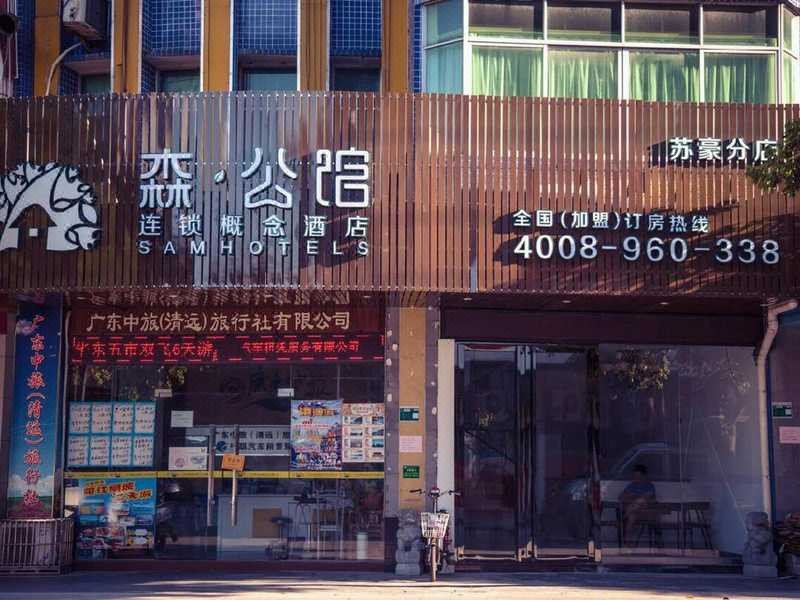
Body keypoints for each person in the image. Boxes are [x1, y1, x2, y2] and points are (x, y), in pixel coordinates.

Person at [618, 464, 657, 545]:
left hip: (645, 513)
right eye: (635, 476)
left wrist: (634, 496)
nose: (637, 478)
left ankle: (624, 517)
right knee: (631, 517)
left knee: (641, 501)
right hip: (635, 513)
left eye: (639, 476)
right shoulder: (632, 485)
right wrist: (631, 496)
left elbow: (649, 497)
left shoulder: (649, 485)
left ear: (644, 476)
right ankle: (628, 543)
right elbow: (621, 497)